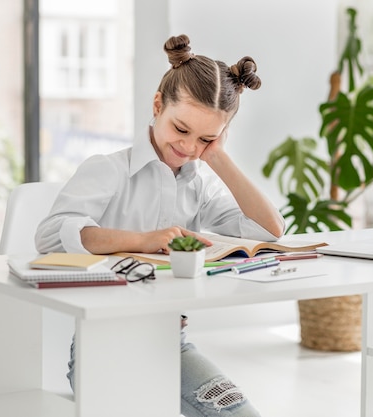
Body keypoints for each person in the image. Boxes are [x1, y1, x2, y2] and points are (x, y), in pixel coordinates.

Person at [35, 34, 285, 417]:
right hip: (103, 344)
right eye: (181, 129)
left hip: (172, 342)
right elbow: (52, 233)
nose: (188, 147)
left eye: (206, 138)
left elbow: (269, 230)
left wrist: (217, 157)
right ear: (157, 105)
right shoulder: (108, 169)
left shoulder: (199, 182)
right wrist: (144, 241)